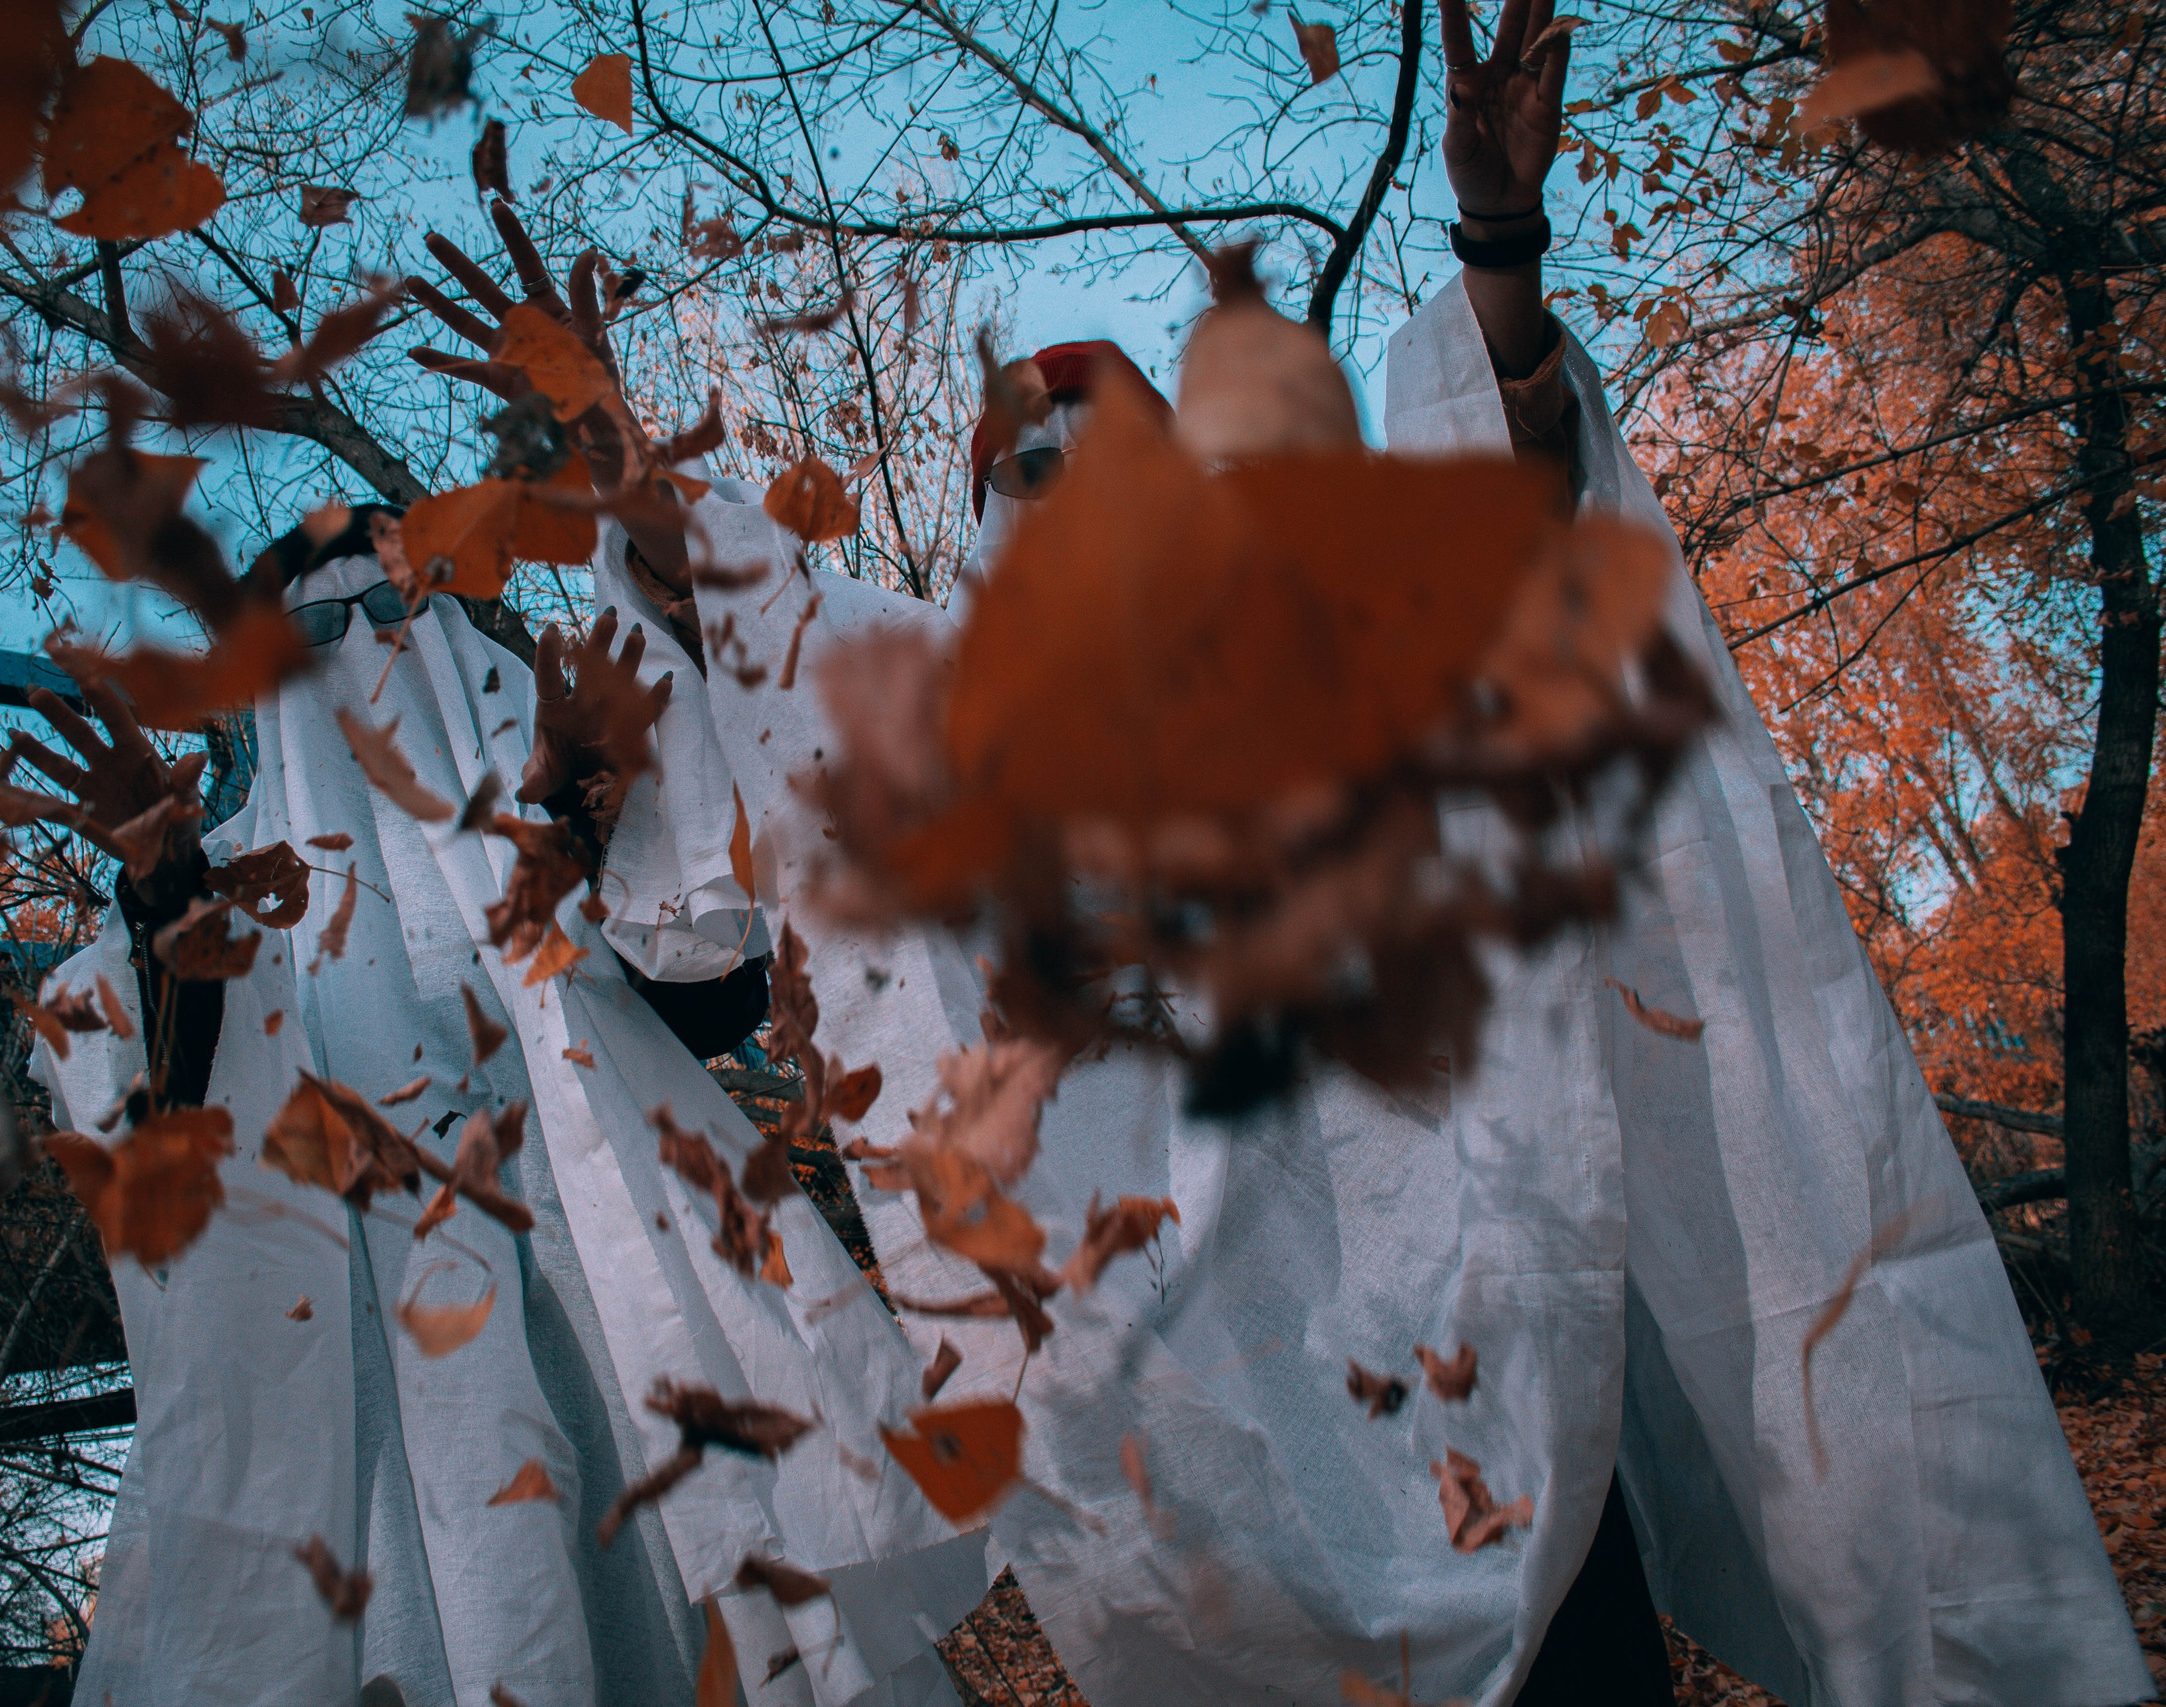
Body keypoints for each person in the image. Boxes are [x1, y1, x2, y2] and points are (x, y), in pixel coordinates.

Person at [581, 0, 2151, 1701]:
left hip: (1487, 1386)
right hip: (1211, 1462)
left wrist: (1498, 245)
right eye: (1033, 467)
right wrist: (646, 501)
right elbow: (779, 656)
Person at [9, 239, 990, 1704]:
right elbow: (165, 1153)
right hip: (390, 1405)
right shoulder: (227, 889)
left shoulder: (572, 818)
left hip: (636, 1319)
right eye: (320, 633)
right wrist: (163, 909)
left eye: (407, 615)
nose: (374, 658)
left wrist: (584, 813)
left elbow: (720, 943)